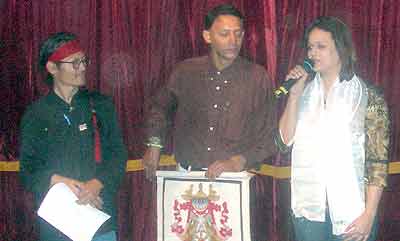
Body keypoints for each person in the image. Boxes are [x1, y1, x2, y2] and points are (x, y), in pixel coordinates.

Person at [277, 16, 390, 241]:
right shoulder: (305, 93)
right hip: (309, 211)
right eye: (310, 47)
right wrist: (295, 95)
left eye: (321, 47)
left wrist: (369, 214)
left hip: (353, 212)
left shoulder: (368, 95)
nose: (312, 54)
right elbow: (283, 143)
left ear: (341, 48)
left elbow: (378, 161)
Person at [143, 4, 277, 179]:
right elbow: (159, 108)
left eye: (238, 34)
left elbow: (270, 135)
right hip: (186, 175)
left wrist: (240, 160)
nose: (233, 41)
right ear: (207, 36)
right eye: (224, 34)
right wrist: (154, 144)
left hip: (233, 179)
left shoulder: (258, 78)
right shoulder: (185, 72)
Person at [19, 32, 128, 241]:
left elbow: (118, 155)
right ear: (52, 68)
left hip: (99, 218)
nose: (83, 67)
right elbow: (28, 171)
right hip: (58, 223)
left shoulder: (100, 105)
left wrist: (96, 184)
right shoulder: (36, 114)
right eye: (75, 62)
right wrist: (61, 182)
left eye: (84, 60)